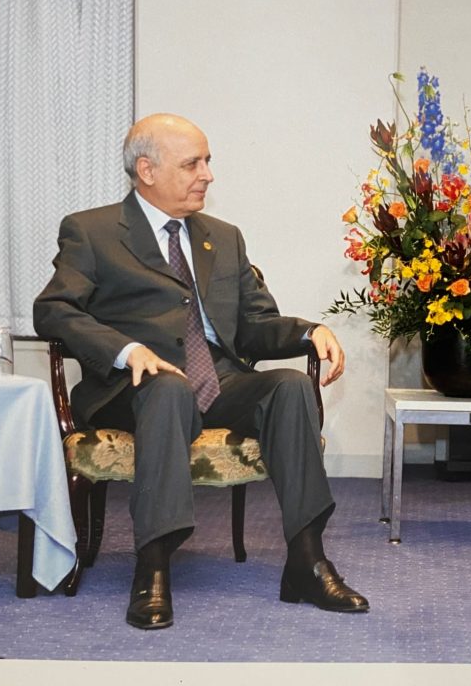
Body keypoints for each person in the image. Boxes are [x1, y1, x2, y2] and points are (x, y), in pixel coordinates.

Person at [33, 113, 368, 629]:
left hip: (218, 380)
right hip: (133, 387)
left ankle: (307, 560)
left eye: (207, 161)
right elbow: (54, 309)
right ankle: (152, 566)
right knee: (167, 388)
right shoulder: (93, 231)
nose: (208, 174)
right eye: (193, 164)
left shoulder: (223, 237)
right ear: (147, 170)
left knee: (289, 386)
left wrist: (309, 332)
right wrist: (125, 350)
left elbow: (255, 324)